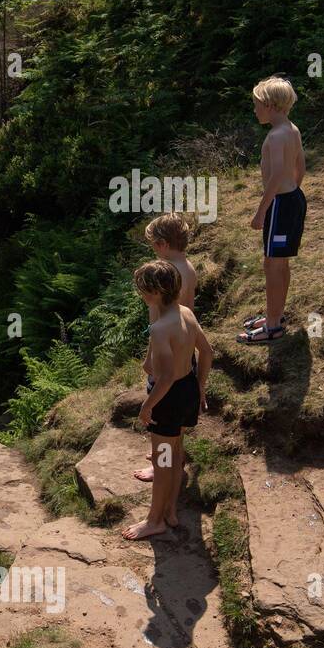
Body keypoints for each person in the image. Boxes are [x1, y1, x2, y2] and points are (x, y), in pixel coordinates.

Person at [122, 261, 213, 541]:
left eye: (143, 290)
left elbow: (166, 376)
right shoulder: (185, 313)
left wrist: (147, 405)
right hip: (187, 390)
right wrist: (199, 389)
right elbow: (207, 353)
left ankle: (155, 521)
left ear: (155, 293)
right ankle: (171, 508)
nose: (141, 295)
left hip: (167, 399)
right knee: (175, 452)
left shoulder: (160, 328)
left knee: (162, 463)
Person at [239, 75, 305, 344]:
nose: (255, 110)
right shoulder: (292, 129)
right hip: (293, 199)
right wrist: (294, 192)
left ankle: (273, 326)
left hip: (280, 204)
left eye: (257, 105)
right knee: (280, 262)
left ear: (270, 105)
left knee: (271, 264)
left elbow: (277, 176)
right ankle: (274, 314)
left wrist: (261, 211)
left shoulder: (276, 136)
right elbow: (300, 166)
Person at [134, 214, 197, 482]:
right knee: (176, 422)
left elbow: (159, 326)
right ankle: (175, 459)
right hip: (185, 351)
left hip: (167, 355)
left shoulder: (166, 277)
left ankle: (161, 468)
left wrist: (149, 359)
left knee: (160, 418)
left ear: (161, 244)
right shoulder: (187, 267)